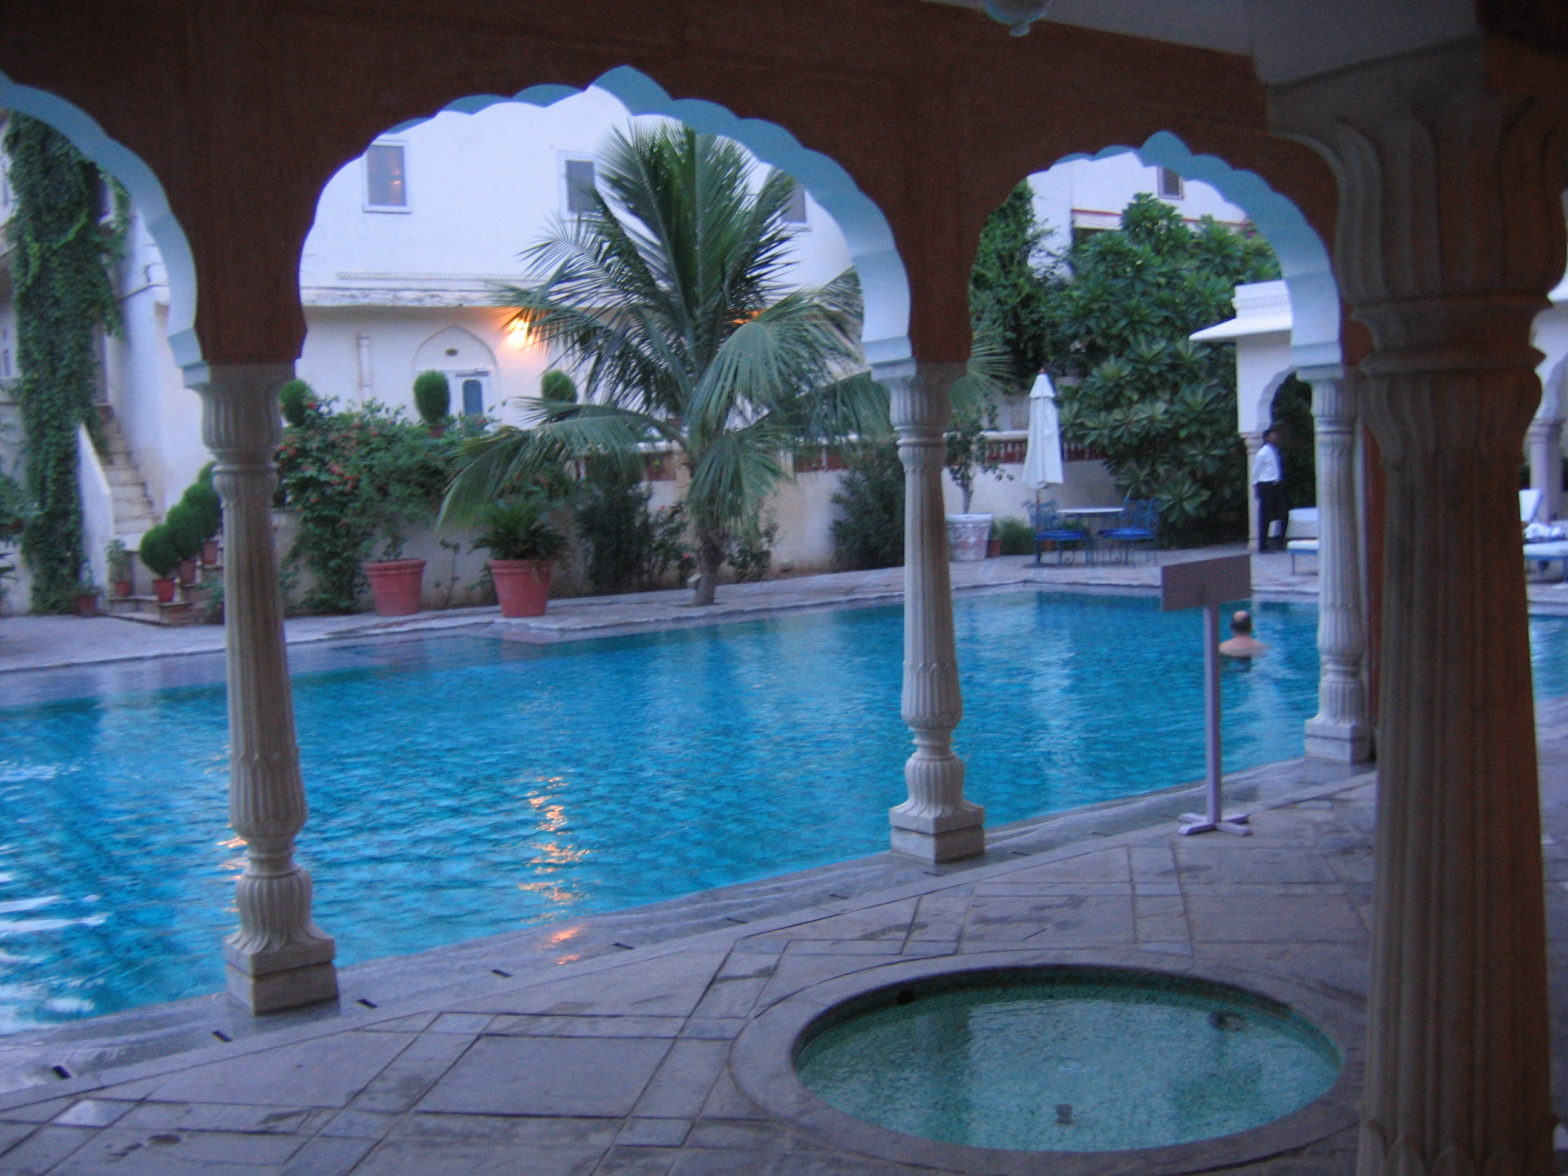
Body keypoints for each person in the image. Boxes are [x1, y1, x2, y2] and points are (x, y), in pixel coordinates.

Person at [1252, 426, 1286, 553]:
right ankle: (1263, 545)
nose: (1276, 437)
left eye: (1276, 435)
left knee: (1283, 513)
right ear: (1267, 438)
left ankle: (1279, 541)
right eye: (1273, 435)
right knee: (1265, 516)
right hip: (1266, 485)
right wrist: (1256, 487)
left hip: (1276, 484)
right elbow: (1255, 471)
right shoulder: (1263, 452)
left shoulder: (1275, 451)